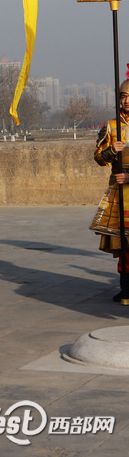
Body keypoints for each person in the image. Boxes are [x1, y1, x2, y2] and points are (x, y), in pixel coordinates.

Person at [91, 79, 129, 303]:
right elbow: (98, 157)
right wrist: (110, 151)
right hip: (119, 191)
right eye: (123, 97)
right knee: (123, 242)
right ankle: (126, 287)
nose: (126, 101)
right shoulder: (111, 126)